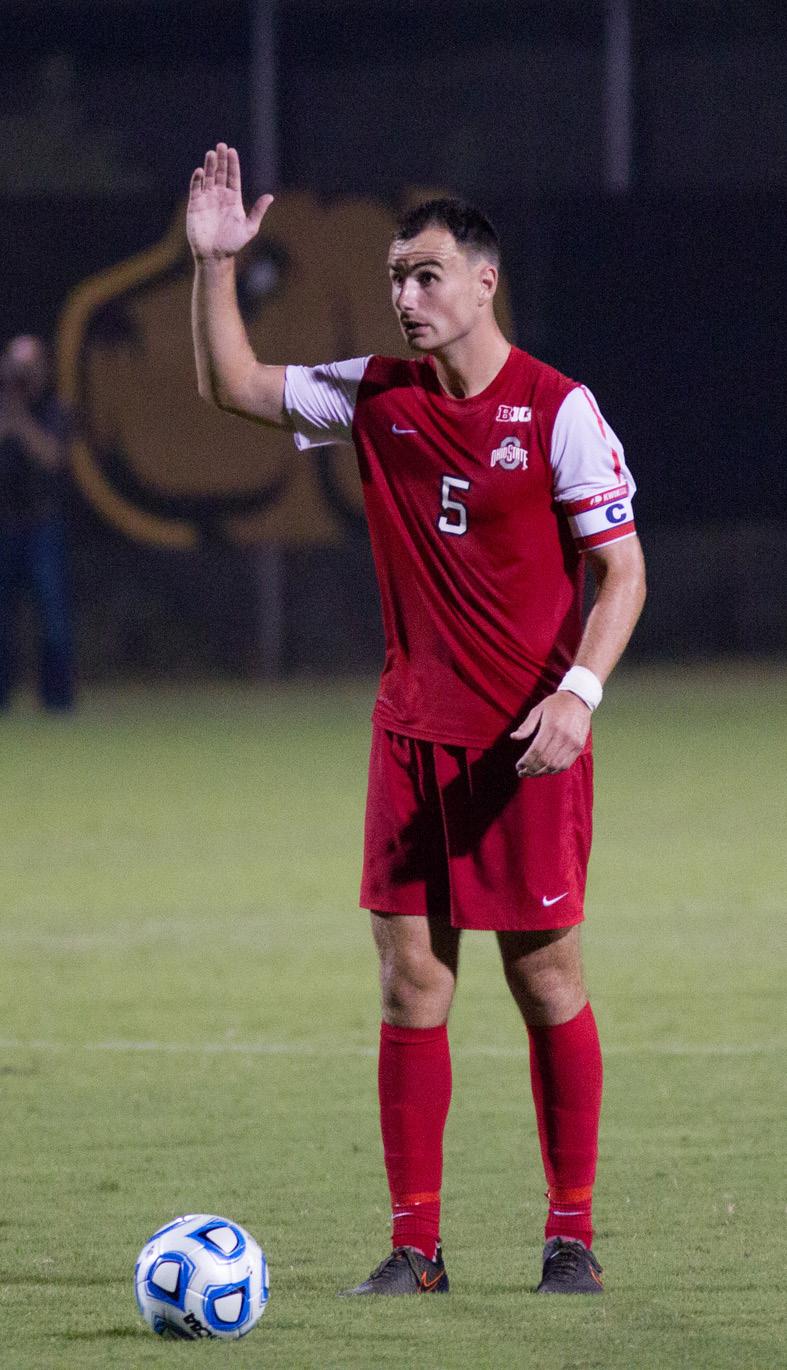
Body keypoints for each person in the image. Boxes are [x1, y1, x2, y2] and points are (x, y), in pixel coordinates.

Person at [188, 143, 646, 1296]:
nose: (405, 297)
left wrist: (577, 698)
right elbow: (233, 387)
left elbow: (623, 571)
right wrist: (211, 267)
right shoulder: (375, 393)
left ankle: (571, 1234)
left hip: (526, 748)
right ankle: (415, 1248)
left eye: (427, 275)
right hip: (410, 739)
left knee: (544, 979)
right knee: (410, 986)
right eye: (398, 277)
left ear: (484, 281)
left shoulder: (557, 409)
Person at [0, 335, 75, 711]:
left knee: (53, 617)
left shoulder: (55, 408)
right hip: (4, 525)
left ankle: (58, 701)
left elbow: (54, 457)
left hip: (43, 524)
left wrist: (20, 422)